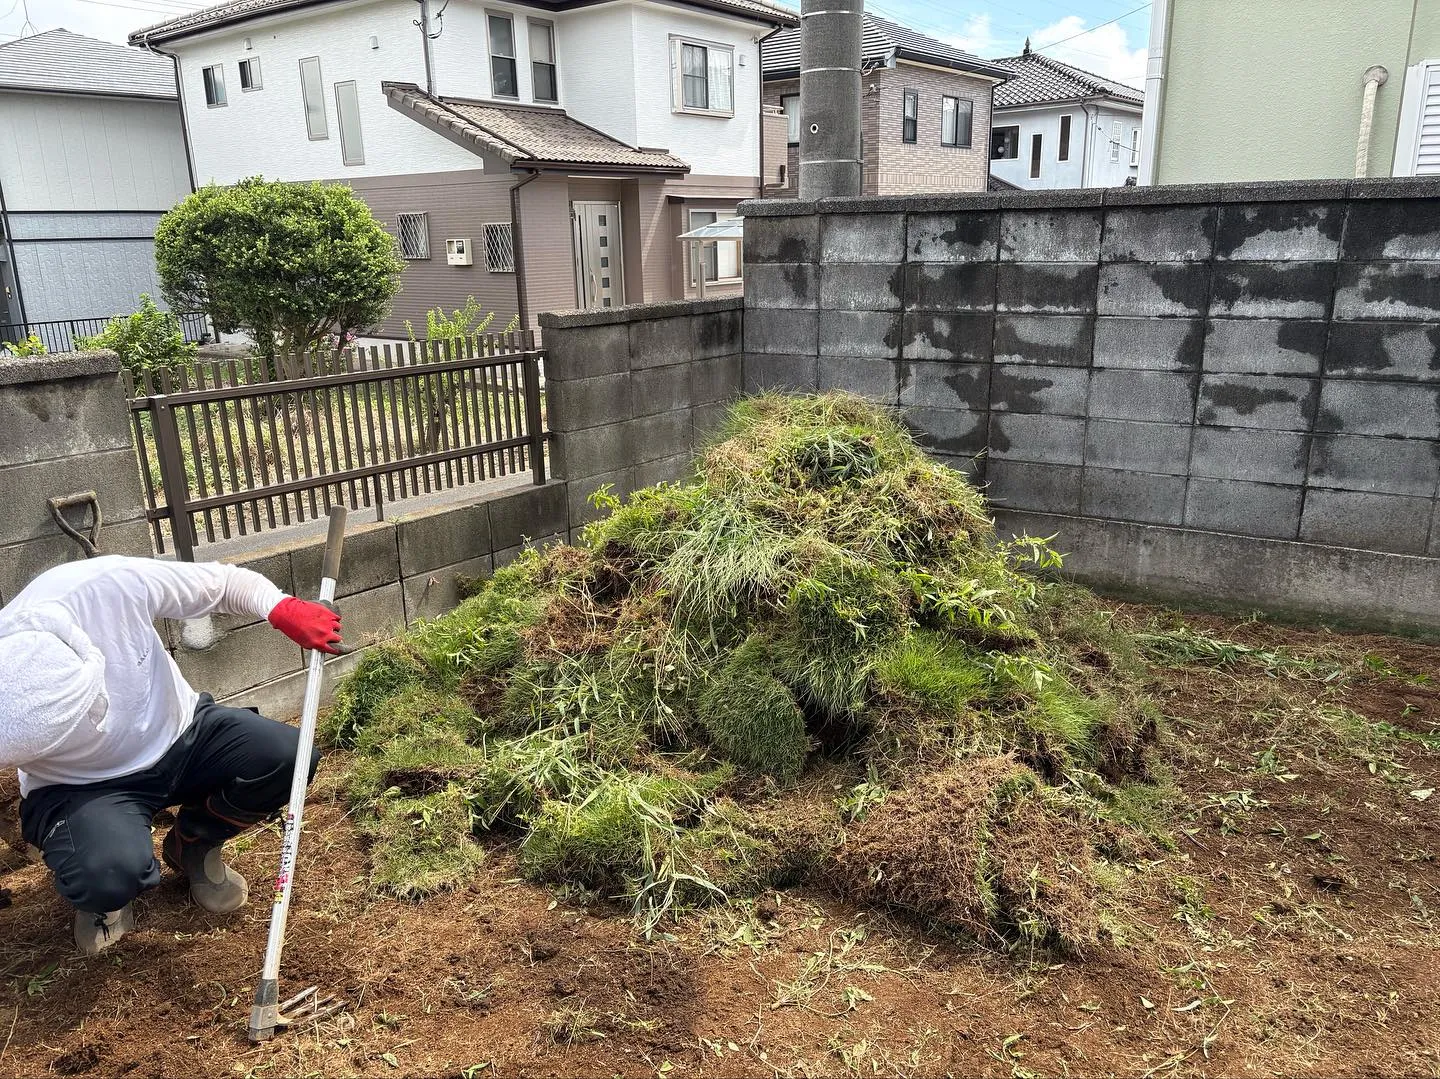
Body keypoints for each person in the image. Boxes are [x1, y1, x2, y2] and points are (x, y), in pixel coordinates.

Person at [0, 556, 345, 955]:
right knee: (106, 874)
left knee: (288, 757)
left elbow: (222, 584)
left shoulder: (108, 586)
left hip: (182, 734)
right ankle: (106, 896)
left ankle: (193, 844)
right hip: (80, 787)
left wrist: (280, 607)